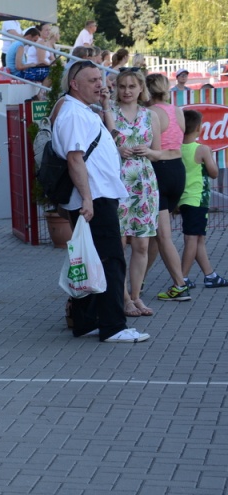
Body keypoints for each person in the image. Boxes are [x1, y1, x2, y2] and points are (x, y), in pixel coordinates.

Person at [53, 60, 149, 343]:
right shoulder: (73, 113)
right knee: (110, 261)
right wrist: (87, 197)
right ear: (75, 84)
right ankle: (113, 326)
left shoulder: (81, 110)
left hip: (96, 196)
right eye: (93, 80)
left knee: (91, 260)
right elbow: (74, 158)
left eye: (102, 79)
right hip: (94, 197)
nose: (101, 84)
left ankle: (86, 322)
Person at [111, 69, 161, 317]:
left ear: (141, 88)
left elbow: (160, 152)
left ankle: (137, 295)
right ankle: (124, 299)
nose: (127, 91)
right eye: (122, 86)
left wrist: (148, 152)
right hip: (118, 184)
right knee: (118, 245)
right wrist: (117, 150)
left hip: (144, 183)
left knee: (142, 244)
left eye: (132, 86)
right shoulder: (108, 113)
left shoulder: (150, 115)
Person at [144, 73, 192, 302]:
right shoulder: (177, 111)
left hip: (160, 171)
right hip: (177, 171)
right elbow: (180, 143)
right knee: (155, 235)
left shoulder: (151, 113)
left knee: (163, 236)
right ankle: (139, 280)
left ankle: (180, 285)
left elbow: (153, 149)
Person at [179, 110, 227, 289]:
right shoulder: (202, 149)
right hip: (198, 198)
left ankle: (210, 275)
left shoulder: (177, 147)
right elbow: (214, 173)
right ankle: (181, 278)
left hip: (183, 198)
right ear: (199, 128)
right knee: (192, 239)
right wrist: (210, 159)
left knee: (199, 238)